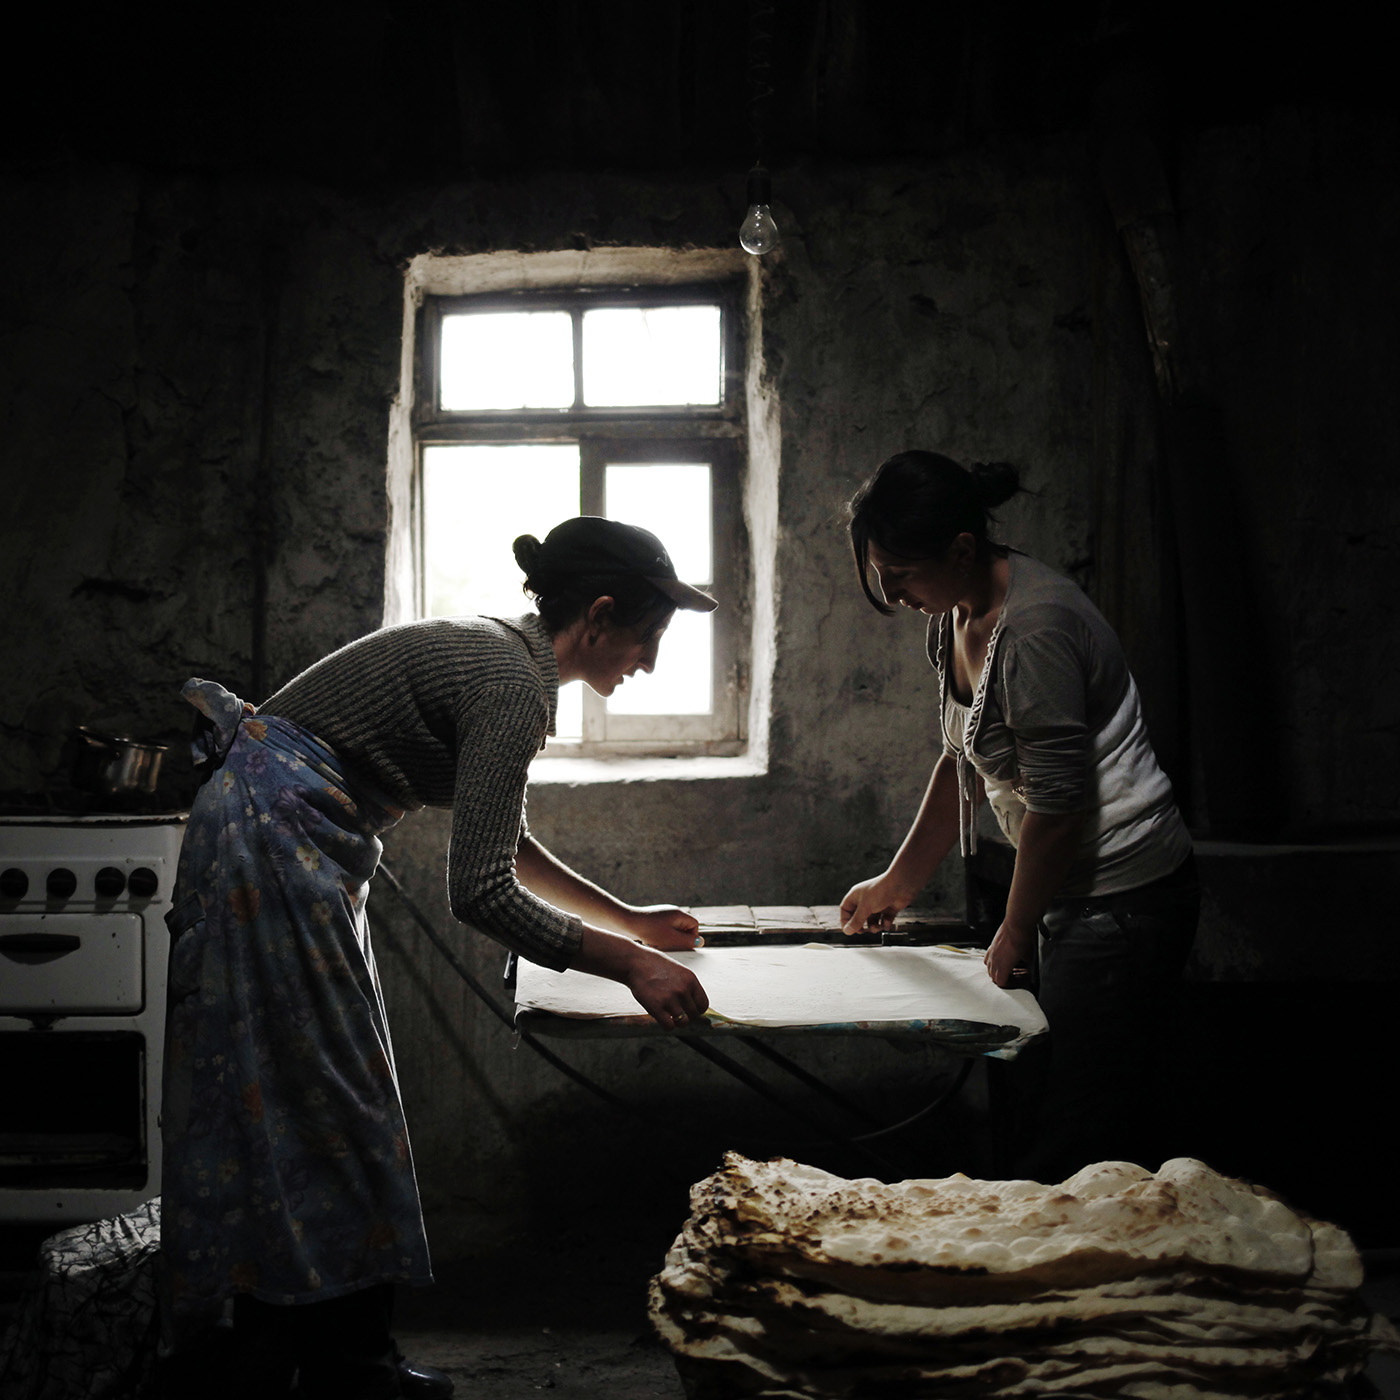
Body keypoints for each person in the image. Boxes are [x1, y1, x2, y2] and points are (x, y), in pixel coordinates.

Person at [159, 516, 713, 1400]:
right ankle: (331, 1365)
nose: (644, 663)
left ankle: (325, 1357)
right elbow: (482, 892)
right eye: (649, 639)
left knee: (312, 1096)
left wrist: (627, 920)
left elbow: (503, 842)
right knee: (330, 1099)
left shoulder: (504, 664)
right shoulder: (509, 682)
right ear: (602, 616)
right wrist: (631, 967)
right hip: (272, 838)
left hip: (276, 833)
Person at [838, 451, 1199, 1181]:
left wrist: (1016, 924)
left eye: (902, 573)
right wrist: (895, 885)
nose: (892, 591)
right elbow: (961, 761)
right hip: (1069, 893)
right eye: (882, 573)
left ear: (962, 549)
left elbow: (1060, 806)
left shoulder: (1034, 629)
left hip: (1122, 902)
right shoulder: (952, 616)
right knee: (1042, 1097)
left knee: (1081, 1126)